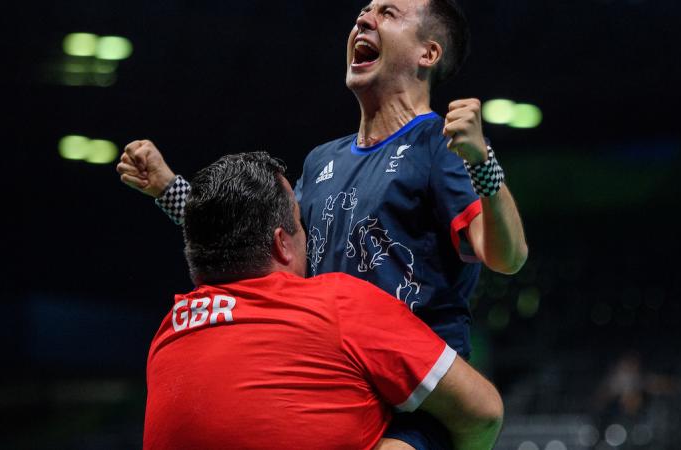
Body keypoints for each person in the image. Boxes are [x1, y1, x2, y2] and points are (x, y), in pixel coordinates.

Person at [120, 0, 526, 448]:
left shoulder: (440, 143)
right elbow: (260, 241)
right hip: (332, 380)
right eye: (364, 10)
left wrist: (482, 163)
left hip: (415, 399)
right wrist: (171, 190)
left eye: (389, 13)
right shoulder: (322, 161)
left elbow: (506, 257)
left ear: (427, 54)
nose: (363, 19)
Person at [142, 152, 503, 450]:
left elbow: (225, 231)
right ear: (282, 242)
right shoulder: (340, 302)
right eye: (301, 225)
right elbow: (483, 412)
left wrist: (173, 191)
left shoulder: (168, 334)